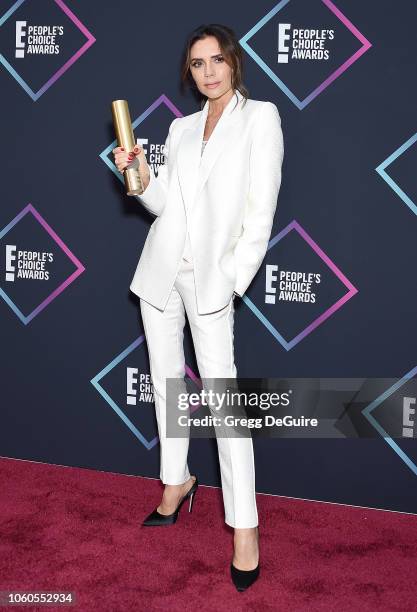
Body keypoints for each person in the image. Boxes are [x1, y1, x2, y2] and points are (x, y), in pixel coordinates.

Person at [113, 23, 284, 592]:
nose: (208, 71)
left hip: (212, 282)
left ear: (233, 62)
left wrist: (231, 280)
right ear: (188, 73)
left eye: (216, 60)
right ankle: (175, 482)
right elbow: (161, 200)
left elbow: (260, 213)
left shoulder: (260, 118)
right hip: (161, 272)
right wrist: (135, 173)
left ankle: (245, 527)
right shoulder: (180, 127)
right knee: (167, 386)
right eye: (197, 64)